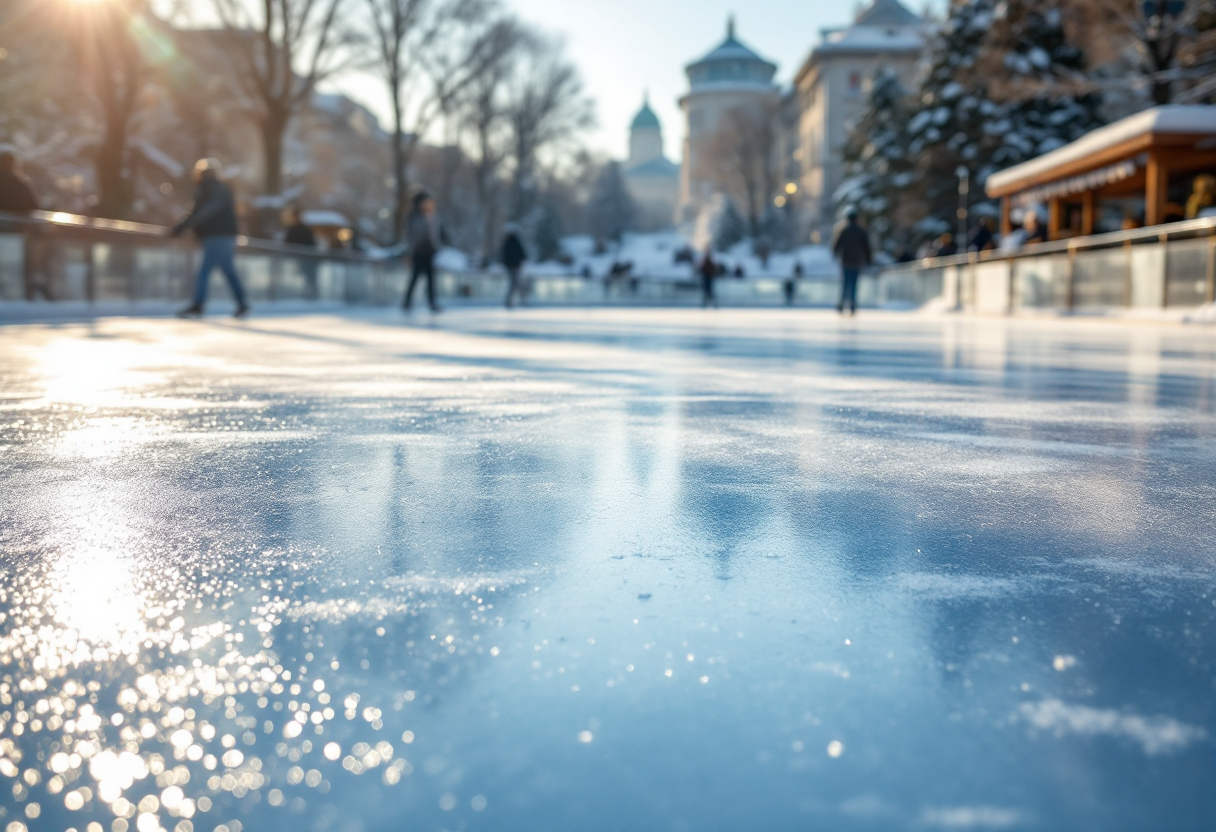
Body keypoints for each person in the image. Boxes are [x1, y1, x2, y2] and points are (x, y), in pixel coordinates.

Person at [171, 158, 249, 319]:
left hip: (216, 235)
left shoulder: (205, 188)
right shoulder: (224, 189)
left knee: (204, 271)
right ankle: (242, 303)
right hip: (227, 236)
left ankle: (198, 305)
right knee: (228, 271)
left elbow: (200, 211)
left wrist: (182, 227)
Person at [403, 192, 440, 313]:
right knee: (415, 277)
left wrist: (436, 247)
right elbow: (410, 237)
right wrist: (409, 252)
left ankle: (432, 302)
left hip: (429, 252)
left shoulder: (432, 217)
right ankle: (407, 301)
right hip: (418, 252)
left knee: (430, 279)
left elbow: (434, 236)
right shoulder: (414, 217)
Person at [832, 208, 871, 315]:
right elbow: (866, 247)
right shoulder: (861, 231)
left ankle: (842, 304)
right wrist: (868, 260)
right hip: (856, 262)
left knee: (845, 283)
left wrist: (835, 254)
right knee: (854, 284)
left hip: (845, 261)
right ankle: (852, 305)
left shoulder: (844, 230)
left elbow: (837, 245)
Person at [283, 206, 319, 299]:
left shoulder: (305, 229)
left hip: (306, 259)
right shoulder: (291, 229)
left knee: (308, 278)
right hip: (295, 259)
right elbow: (286, 244)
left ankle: (310, 294)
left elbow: (312, 244)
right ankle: (298, 295)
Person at [501, 223, 527, 309]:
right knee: (515, 284)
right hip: (514, 267)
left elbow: (520, 254)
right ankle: (514, 301)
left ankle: (515, 301)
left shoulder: (511, 242)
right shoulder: (512, 242)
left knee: (515, 284)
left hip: (514, 267)